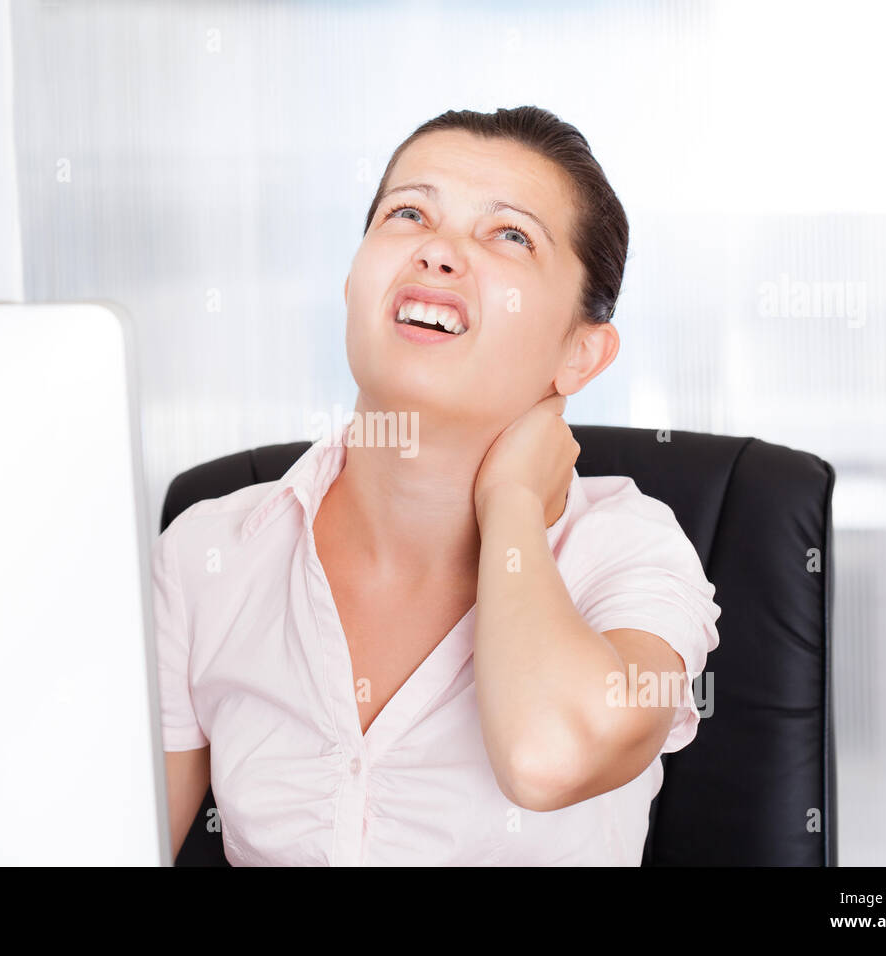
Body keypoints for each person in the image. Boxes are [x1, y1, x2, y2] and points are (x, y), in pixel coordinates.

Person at [154, 106, 722, 866]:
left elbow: (547, 758)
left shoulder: (630, 553)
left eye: (510, 234)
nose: (438, 252)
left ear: (582, 355)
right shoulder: (207, 554)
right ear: (355, 279)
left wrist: (513, 506)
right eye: (408, 213)